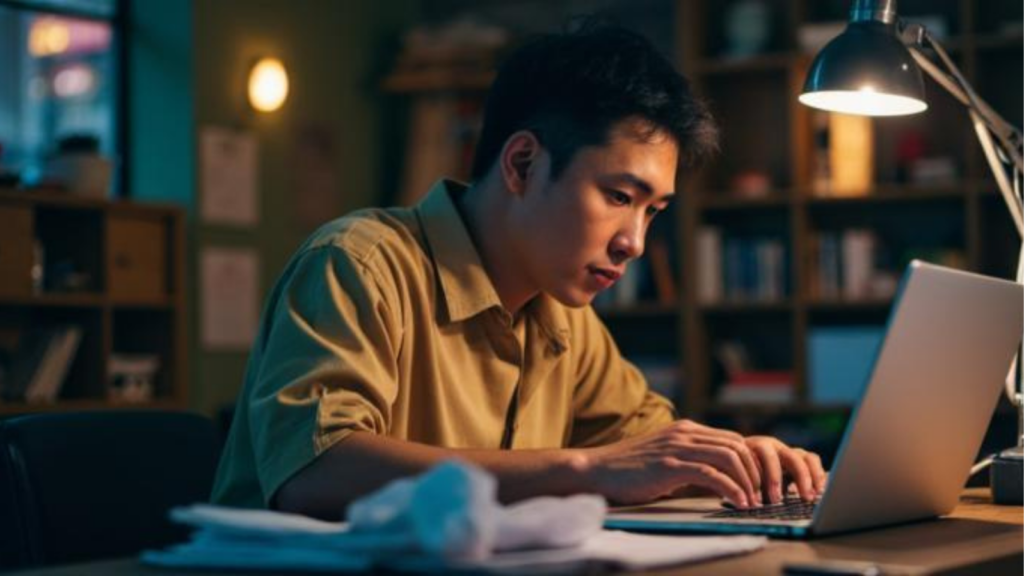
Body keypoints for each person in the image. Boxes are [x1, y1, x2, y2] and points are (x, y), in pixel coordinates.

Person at [211, 23, 827, 520]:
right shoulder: (358, 263)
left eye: (653, 211)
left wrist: (741, 460)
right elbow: (312, 473)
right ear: (523, 163)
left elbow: (653, 451)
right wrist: (587, 468)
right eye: (618, 196)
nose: (634, 243)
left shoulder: (562, 315)